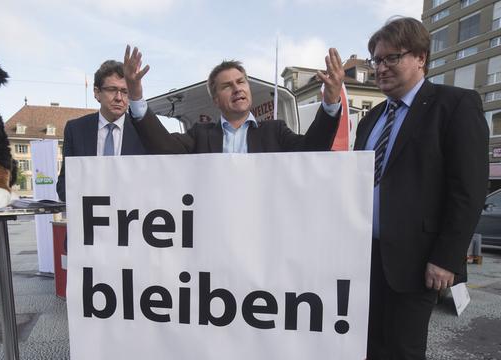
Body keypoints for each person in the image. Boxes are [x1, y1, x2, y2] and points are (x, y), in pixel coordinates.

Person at [354, 17, 488, 359]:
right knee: (364, 346)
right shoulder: (371, 119)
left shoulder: (455, 105)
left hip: (417, 262)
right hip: (362, 257)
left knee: (402, 350)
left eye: (390, 58)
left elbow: (468, 189)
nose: (380, 68)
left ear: (420, 58)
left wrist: (446, 258)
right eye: (376, 61)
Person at [122, 45, 344, 154]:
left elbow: (313, 149)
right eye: (227, 86)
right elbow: (165, 148)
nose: (237, 88)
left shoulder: (274, 132)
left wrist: (331, 101)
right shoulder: (200, 135)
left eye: (241, 82)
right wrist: (135, 96)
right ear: (216, 99)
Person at [56, 60, 146, 201]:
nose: (118, 98)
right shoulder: (76, 130)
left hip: (131, 218)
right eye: (112, 90)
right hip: (90, 216)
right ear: (97, 93)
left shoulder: (143, 132)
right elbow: (63, 186)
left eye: (124, 91)